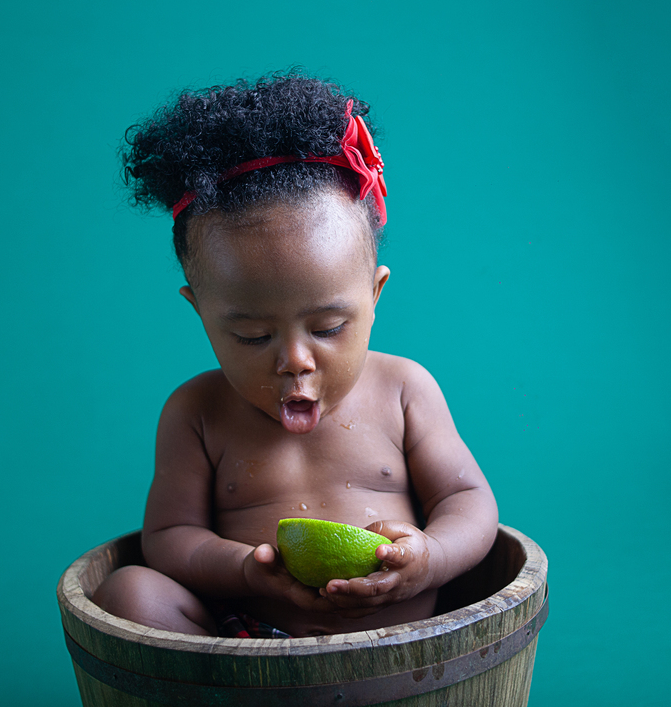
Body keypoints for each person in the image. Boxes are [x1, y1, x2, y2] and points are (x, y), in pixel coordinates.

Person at [92, 69, 499, 638]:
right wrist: (246, 570)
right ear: (200, 312)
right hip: (251, 641)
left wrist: (428, 557)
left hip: (400, 647)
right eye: (253, 336)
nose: (294, 360)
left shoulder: (404, 390)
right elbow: (168, 538)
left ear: (375, 295)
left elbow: (468, 500)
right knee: (128, 591)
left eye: (329, 327)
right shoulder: (197, 413)